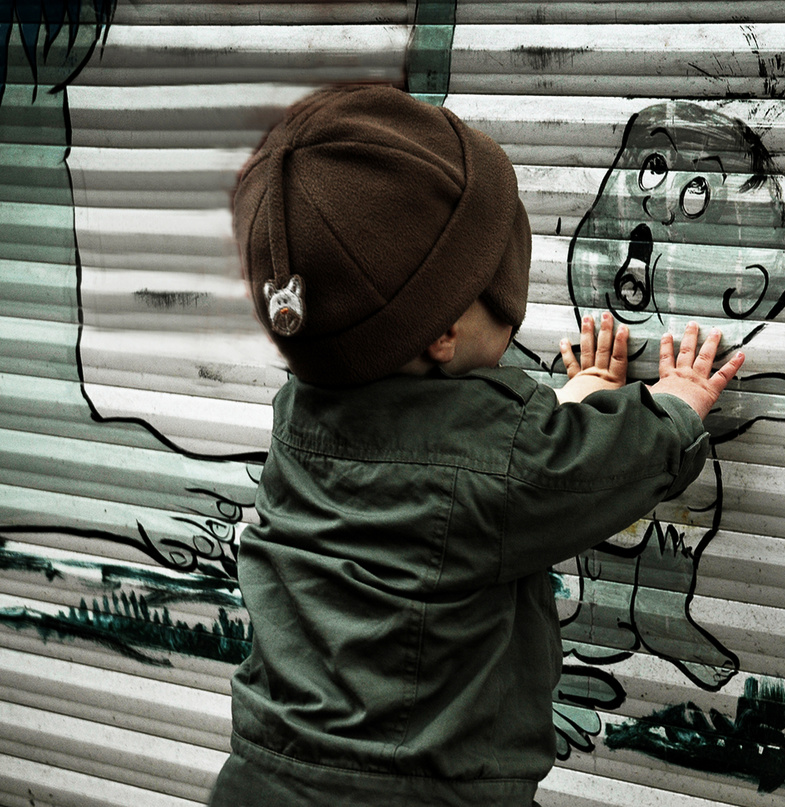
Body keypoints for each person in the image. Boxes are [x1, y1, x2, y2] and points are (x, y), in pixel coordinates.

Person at [207, 84, 745, 807]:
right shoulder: (498, 458)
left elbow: (463, 469)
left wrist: (575, 397)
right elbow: (594, 466)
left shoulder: (301, 416)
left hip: (264, 775)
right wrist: (677, 403)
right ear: (445, 331)